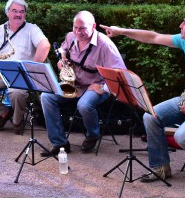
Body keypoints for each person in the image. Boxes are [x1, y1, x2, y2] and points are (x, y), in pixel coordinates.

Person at [100, 8, 185, 181]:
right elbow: (153, 37)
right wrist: (121, 31)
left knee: (182, 136)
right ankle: (160, 168)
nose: (180, 25)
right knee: (150, 117)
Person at [40, 10, 126, 156]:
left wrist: (103, 87)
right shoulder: (70, 36)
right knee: (46, 96)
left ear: (93, 26)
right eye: (75, 27)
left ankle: (93, 135)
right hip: (75, 84)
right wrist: (62, 61)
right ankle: (60, 143)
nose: (77, 32)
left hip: (96, 86)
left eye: (82, 28)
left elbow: (121, 73)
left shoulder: (104, 44)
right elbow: (63, 49)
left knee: (84, 105)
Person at [0, 0, 50, 134]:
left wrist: (32, 69)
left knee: (17, 92)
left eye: (22, 11)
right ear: (7, 12)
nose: (18, 14)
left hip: (21, 74)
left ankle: (17, 120)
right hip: (0, 73)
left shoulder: (32, 29)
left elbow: (45, 46)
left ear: (25, 13)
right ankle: (3, 113)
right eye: (14, 11)